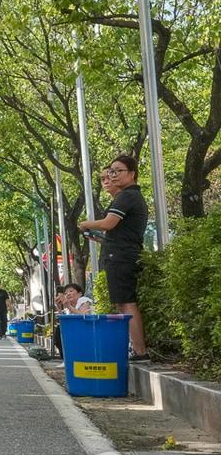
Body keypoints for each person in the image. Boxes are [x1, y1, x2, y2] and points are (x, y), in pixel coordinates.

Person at [79, 154, 149, 361]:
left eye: (118, 171)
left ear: (132, 174)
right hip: (121, 253)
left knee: (127, 303)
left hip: (122, 258)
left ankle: (140, 350)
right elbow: (119, 232)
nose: (113, 175)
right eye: (111, 171)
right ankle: (134, 348)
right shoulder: (129, 197)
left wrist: (86, 224)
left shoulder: (127, 196)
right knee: (122, 303)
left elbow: (109, 223)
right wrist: (101, 239)